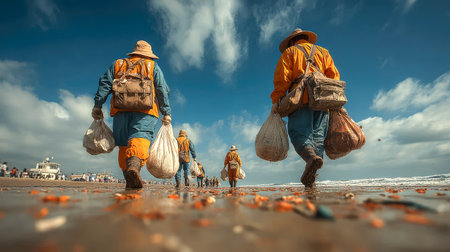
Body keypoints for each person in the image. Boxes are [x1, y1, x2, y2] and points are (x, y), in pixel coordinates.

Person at [92, 40, 172, 189]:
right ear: (149, 55)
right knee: (141, 136)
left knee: (123, 144)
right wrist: (166, 112)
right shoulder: (152, 66)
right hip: (146, 111)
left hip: (120, 109)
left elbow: (105, 83)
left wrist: (98, 105)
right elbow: (162, 90)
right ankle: (134, 168)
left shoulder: (118, 64)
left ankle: (129, 177)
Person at [271, 28, 340, 188]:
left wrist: (276, 100)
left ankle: (310, 159)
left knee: (298, 134)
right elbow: (334, 77)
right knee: (318, 138)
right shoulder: (323, 52)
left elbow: (283, 78)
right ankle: (312, 178)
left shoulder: (290, 52)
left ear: (292, 41)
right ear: (306, 39)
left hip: (300, 98)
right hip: (323, 99)